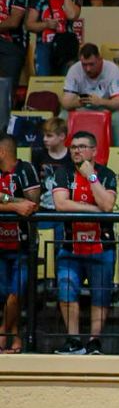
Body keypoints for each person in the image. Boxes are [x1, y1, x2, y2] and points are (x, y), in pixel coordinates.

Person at [51, 131, 117, 356]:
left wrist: (91, 177)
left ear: (94, 150)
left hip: (101, 248)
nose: (76, 151)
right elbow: (61, 204)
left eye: (81, 146)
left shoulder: (107, 174)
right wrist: (93, 209)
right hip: (70, 247)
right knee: (66, 290)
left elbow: (107, 205)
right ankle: (74, 340)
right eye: (73, 147)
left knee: (101, 295)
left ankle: (94, 342)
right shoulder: (63, 173)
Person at [0, 136, 40, 354]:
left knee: (15, 294)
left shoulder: (26, 169)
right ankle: (15, 338)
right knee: (6, 295)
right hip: (0, 245)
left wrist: (3, 200)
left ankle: (2, 333)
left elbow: (32, 205)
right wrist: (14, 204)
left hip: (22, 245)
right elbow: (21, 205)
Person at [61, 45, 119, 149]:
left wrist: (101, 102)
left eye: (92, 64)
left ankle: (116, 154)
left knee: (118, 118)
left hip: (105, 108)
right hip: (82, 108)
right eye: (84, 65)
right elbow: (65, 102)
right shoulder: (74, 70)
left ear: (100, 59)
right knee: (63, 116)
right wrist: (77, 103)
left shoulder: (112, 69)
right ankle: (64, 155)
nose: (88, 69)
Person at [24, 0, 78, 77]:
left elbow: (72, 15)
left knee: (67, 83)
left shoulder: (72, 0)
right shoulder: (40, 1)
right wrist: (46, 25)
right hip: (44, 46)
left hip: (65, 46)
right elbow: (29, 25)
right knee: (45, 81)